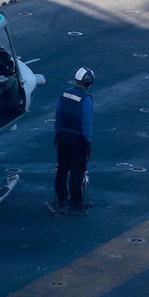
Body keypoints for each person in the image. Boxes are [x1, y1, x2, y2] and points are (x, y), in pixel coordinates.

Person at [54, 67, 94, 213]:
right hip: (77, 139)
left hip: (62, 136)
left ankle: (61, 197)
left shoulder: (64, 94)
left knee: (62, 168)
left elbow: (58, 115)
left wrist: (58, 132)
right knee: (77, 169)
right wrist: (87, 143)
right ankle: (76, 202)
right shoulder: (85, 99)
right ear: (88, 82)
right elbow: (86, 123)